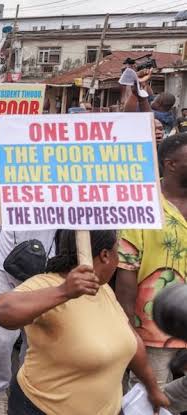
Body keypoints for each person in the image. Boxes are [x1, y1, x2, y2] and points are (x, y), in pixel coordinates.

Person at [0, 229, 170, 414]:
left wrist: (152, 388)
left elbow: (133, 343)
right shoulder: (47, 284)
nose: (119, 261)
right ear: (105, 255)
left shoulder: (104, 290)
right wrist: (64, 292)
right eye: (118, 252)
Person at [117, 133, 187, 391]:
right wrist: (128, 329)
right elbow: (126, 271)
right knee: (150, 400)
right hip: (153, 335)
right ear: (171, 164)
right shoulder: (142, 203)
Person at [0, 206, 57, 414]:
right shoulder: (12, 175)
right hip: (5, 268)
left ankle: (23, 390)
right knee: (1, 340)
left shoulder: (64, 181)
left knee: (34, 341)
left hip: (45, 273)